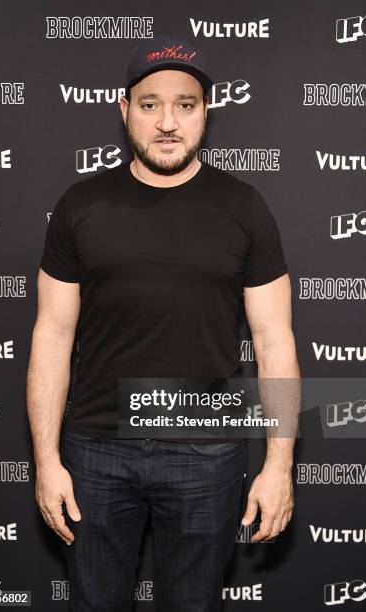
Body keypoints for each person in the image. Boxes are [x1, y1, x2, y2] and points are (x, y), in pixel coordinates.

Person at [27, 35, 300, 612]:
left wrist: (279, 466)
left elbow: (275, 342)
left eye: (186, 103)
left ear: (206, 112)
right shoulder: (80, 205)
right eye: (150, 104)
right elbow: (52, 334)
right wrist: (47, 461)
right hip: (96, 449)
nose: (168, 121)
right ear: (124, 110)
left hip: (207, 451)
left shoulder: (245, 207)